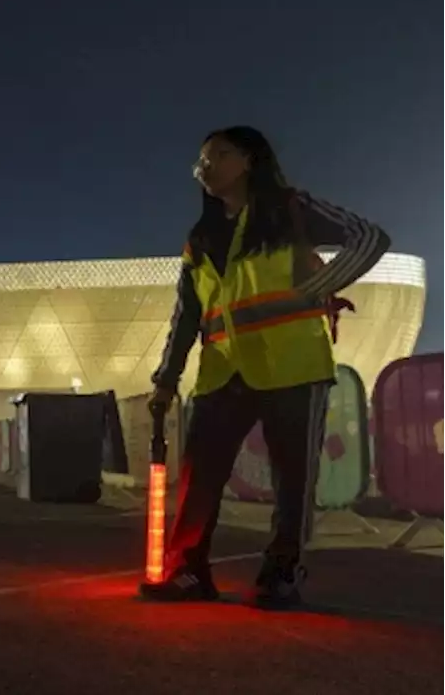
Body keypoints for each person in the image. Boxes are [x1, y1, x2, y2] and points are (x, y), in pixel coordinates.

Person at [139, 126, 389, 609]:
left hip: (292, 365)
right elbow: (186, 313)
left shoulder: (291, 210)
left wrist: (324, 285)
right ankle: (188, 571)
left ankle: (281, 573)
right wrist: (167, 379)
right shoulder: (200, 239)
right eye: (200, 162)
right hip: (223, 370)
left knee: (292, 479)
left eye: (219, 155)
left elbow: (370, 237)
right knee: (200, 474)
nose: (205, 167)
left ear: (250, 160)